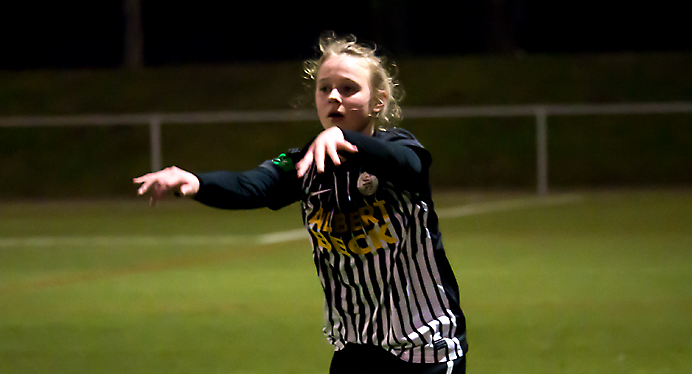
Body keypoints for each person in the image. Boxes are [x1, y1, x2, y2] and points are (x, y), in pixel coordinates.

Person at [134, 33, 467, 373]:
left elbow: (410, 165)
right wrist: (197, 182)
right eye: (324, 89)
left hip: (427, 349)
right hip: (355, 348)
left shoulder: (398, 149)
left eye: (348, 88)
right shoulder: (306, 163)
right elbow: (252, 185)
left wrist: (343, 137)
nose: (333, 96)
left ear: (378, 101)